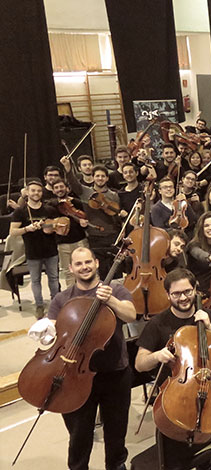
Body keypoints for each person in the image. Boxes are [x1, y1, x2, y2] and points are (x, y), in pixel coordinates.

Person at [36, 247, 136, 470]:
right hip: (74, 377)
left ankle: (116, 466)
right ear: (71, 268)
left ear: (97, 263)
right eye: (79, 264)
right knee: (79, 436)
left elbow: (131, 314)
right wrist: (43, 331)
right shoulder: (62, 299)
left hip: (114, 373)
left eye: (88, 262)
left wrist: (111, 301)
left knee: (116, 433)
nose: (84, 267)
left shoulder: (116, 290)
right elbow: (52, 332)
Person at [135, 268, 211, 470]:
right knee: (175, 462)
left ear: (195, 290)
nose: (183, 298)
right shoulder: (157, 323)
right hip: (174, 398)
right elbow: (139, 363)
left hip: (208, 393)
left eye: (188, 291)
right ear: (168, 295)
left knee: (204, 450)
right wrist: (156, 356)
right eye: (177, 293)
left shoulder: (209, 317)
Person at [9, 179, 60, 317]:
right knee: (35, 280)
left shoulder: (49, 209)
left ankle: (56, 304)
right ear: (27, 192)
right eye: (33, 190)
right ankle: (39, 305)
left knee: (54, 279)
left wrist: (50, 227)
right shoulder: (21, 211)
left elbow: (58, 227)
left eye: (39, 191)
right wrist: (27, 228)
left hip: (51, 250)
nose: (36, 193)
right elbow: (12, 232)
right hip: (32, 252)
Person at [48, 179, 90, 288]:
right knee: (69, 272)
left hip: (80, 240)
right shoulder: (51, 205)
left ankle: (89, 293)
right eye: (56, 188)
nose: (59, 189)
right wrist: (60, 202)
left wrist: (84, 223)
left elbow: (86, 217)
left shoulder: (76, 202)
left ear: (67, 188)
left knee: (87, 269)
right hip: (63, 243)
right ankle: (73, 296)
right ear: (53, 191)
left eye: (61, 187)